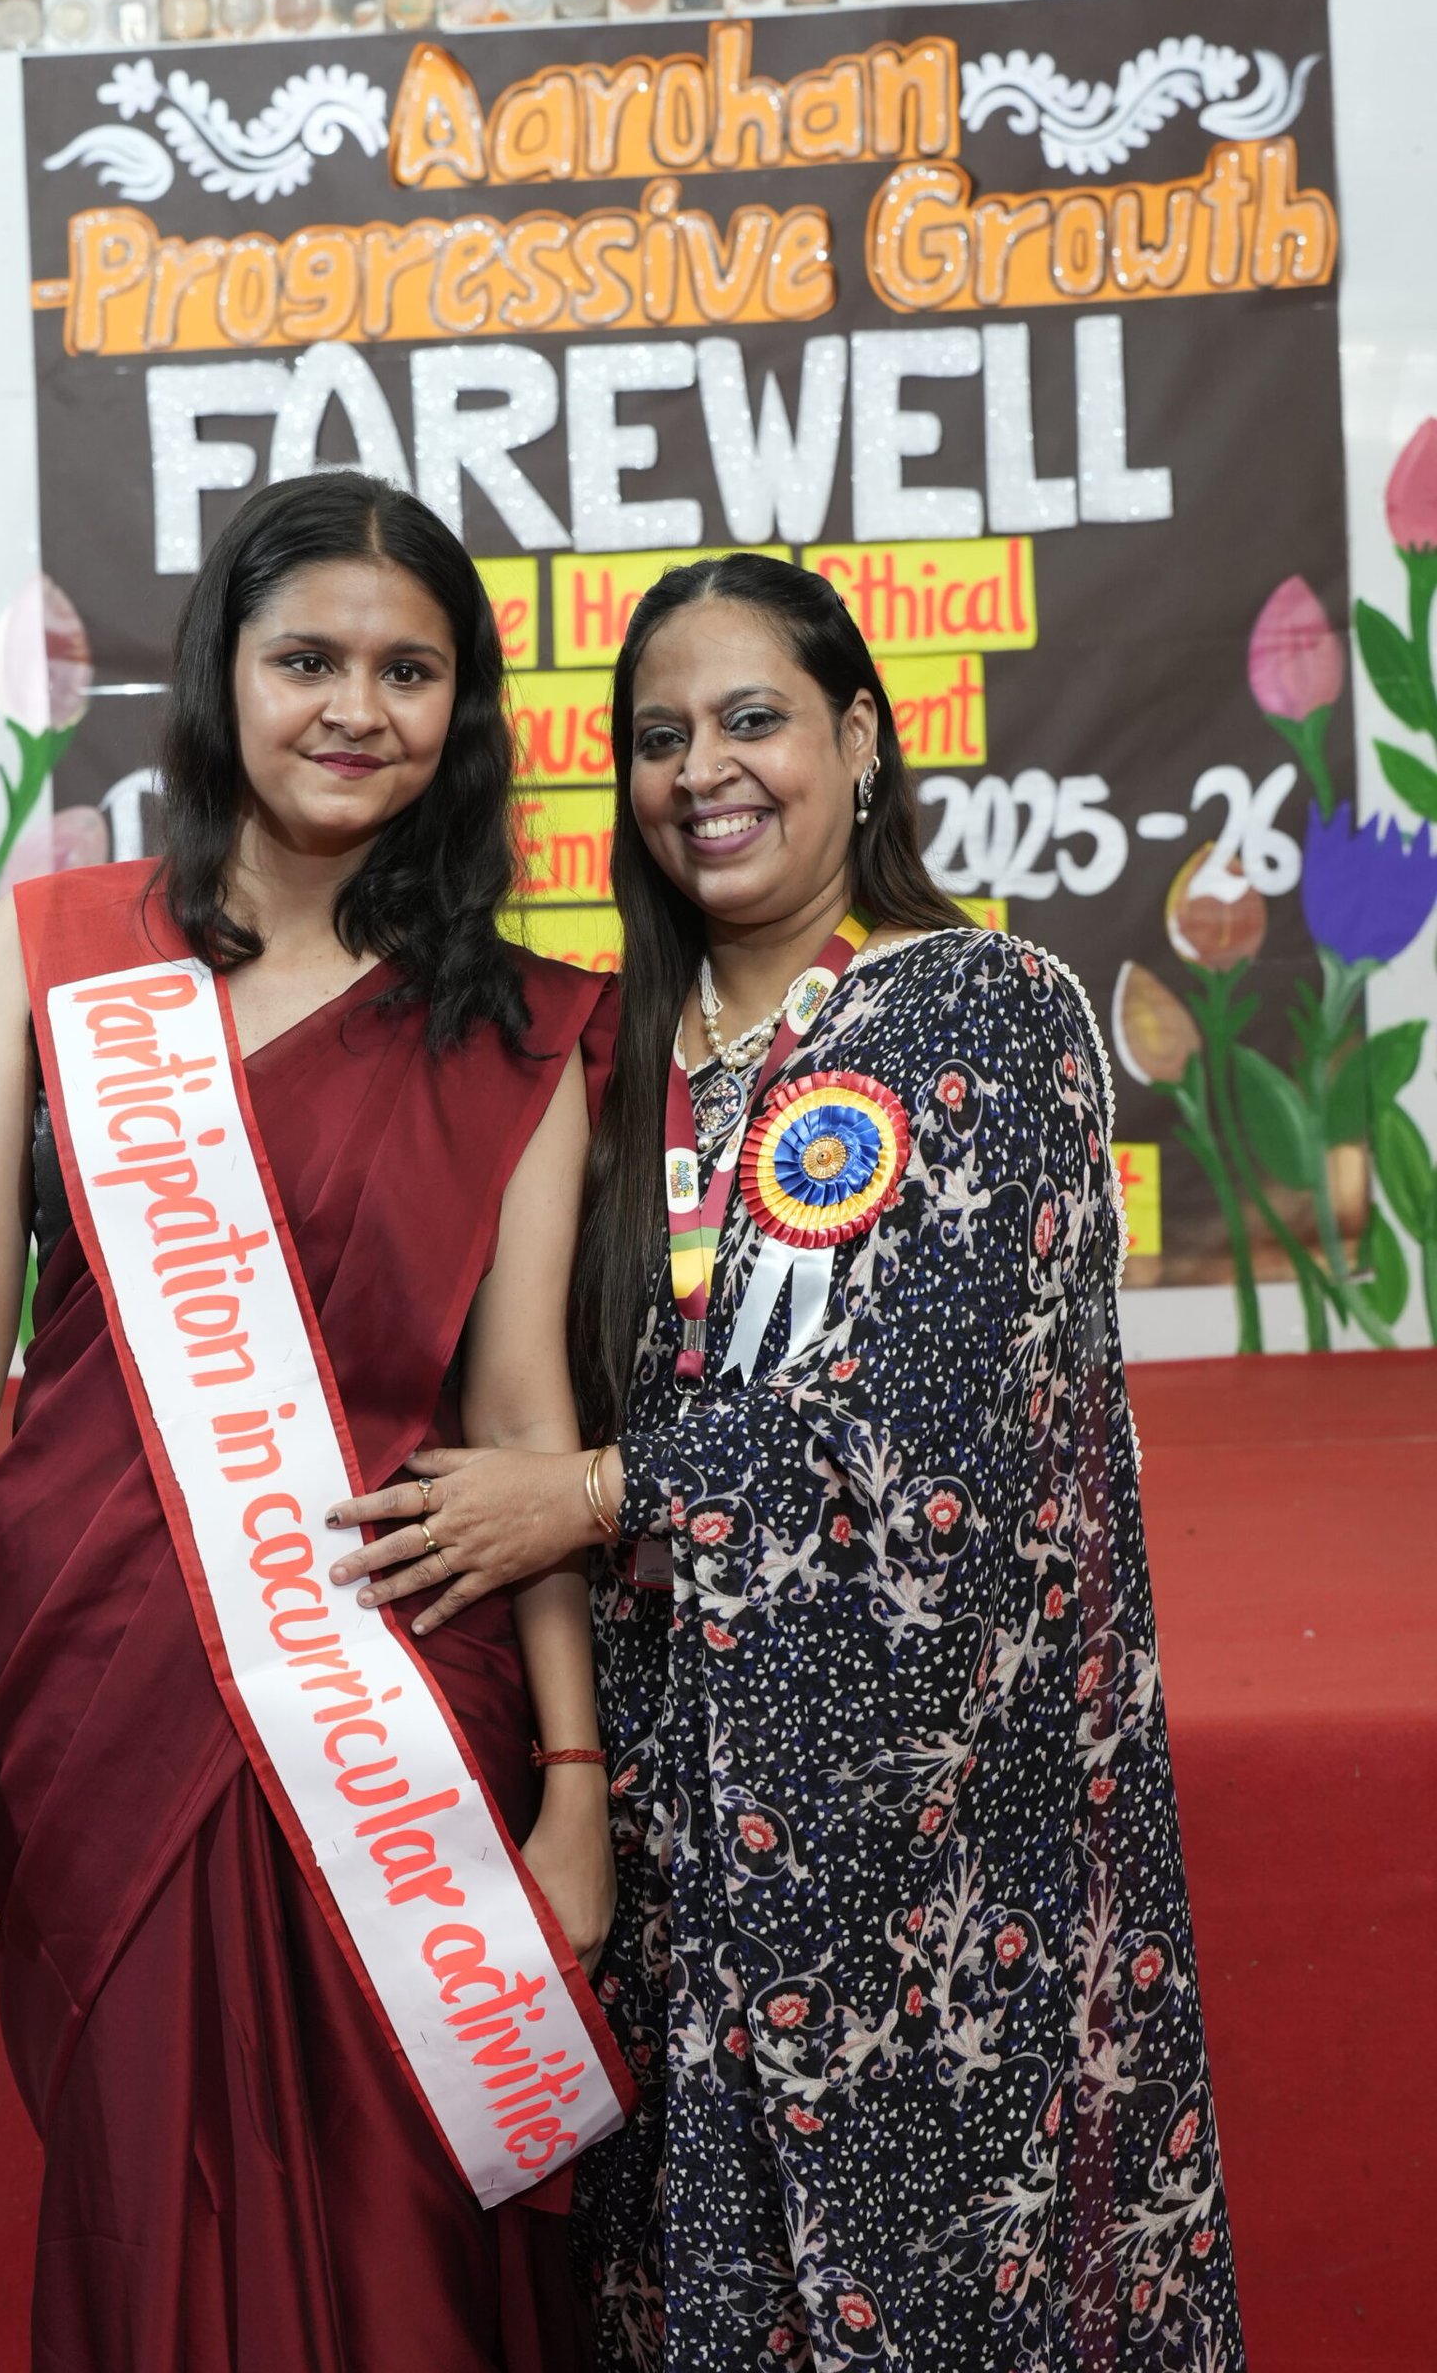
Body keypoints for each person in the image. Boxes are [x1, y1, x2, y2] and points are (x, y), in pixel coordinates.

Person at [329, 555, 1247, 2372]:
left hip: (925, 1840)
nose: (703, 772)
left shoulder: (983, 1010)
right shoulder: (605, 1059)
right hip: (668, 1825)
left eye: (752, 720)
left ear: (863, 739)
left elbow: (937, 1424)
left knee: (935, 2300)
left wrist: (589, 1498)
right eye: (659, 737)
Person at [0, 472, 626, 2373]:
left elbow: (524, 1419)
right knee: (153, 2194)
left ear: (465, 711)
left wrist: (572, 1782)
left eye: (409, 671)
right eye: (308, 661)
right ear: (224, 672)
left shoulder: (520, 1029)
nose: (355, 709)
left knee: (410, 2237)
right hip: (97, 1675)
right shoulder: (59, 948)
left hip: (397, 1711)